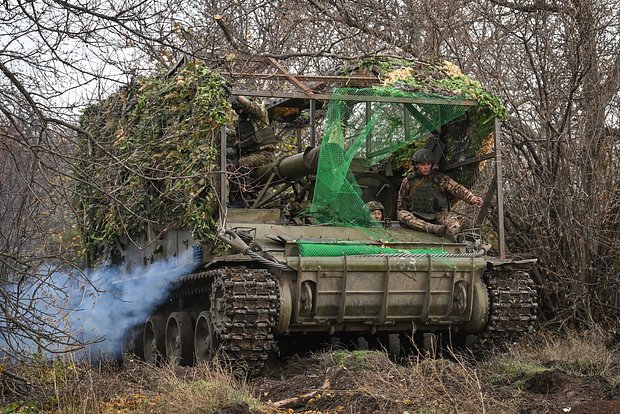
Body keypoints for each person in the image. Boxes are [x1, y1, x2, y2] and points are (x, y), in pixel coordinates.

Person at [397, 148, 483, 238]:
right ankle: (432, 228)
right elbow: (400, 205)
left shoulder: (439, 179)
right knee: (402, 215)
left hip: (438, 215)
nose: (426, 167)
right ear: (416, 165)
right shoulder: (408, 181)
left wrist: (472, 198)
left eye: (428, 164)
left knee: (453, 222)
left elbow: (457, 188)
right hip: (416, 216)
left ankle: (458, 237)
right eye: (423, 165)